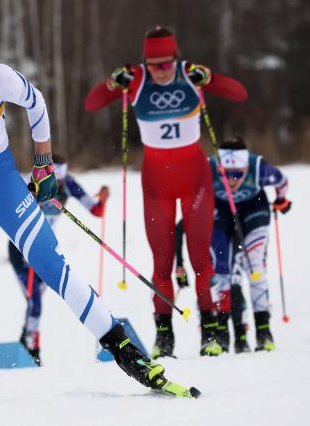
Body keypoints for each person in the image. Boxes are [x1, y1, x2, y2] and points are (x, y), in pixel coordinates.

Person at [0, 18, 197, 407]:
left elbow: (36, 102)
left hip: (1, 183)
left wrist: (43, 162)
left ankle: (129, 355)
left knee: (51, 264)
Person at [84, 26, 248, 357]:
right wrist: (112, 84)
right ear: (146, 61)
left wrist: (211, 78)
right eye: (154, 64)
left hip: (195, 180)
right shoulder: (137, 78)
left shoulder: (189, 75)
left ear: (176, 57)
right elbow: (92, 103)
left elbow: (239, 93)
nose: (160, 71)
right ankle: (165, 337)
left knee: (202, 258)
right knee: (162, 262)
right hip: (157, 183)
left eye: (166, 64)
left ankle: (211, 333)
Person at [9, 154, 109, 366]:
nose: (59, 185)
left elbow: (96, 209)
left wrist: (102, 197)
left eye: (61, 182)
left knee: (35, 303)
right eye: (56, 181)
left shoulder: (69, 184)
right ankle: (31, 349)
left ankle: (27, 341)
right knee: (34, 302)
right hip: (21, 249)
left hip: (44, 250)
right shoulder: (32, 181)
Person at [209, 136, 291, 352]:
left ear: (246, 166)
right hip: (222, 211)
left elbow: (282, 182)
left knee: (255, 266)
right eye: (226, 175)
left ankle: (264, 332)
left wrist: (282, 200)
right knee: (221, 267)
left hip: (254, 208)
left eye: (237, 174)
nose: (232, 180)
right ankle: (222, 333)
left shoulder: (258, 166)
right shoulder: (209, 166)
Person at [172, 218, 250, 355]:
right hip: (210, 256)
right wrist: (179, 263)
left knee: (233, 285)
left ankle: (240, 337)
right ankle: (214, 333)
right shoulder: (200, 206)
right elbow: (179, 228)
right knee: (209, 286)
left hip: (228, 248)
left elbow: (240, 221)